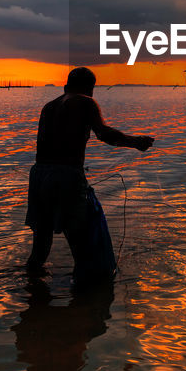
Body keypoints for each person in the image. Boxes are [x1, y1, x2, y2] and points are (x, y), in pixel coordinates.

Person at [25, 67, 153, 283]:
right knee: (81, 241)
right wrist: (135, 142)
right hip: (66, 175)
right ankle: (83, 302)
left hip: (39, 174)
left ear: (66, 85)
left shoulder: (49, 106)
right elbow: (103, 134)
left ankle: (33, 294)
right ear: (90, 88)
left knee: (40, 244)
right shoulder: (86, 101)